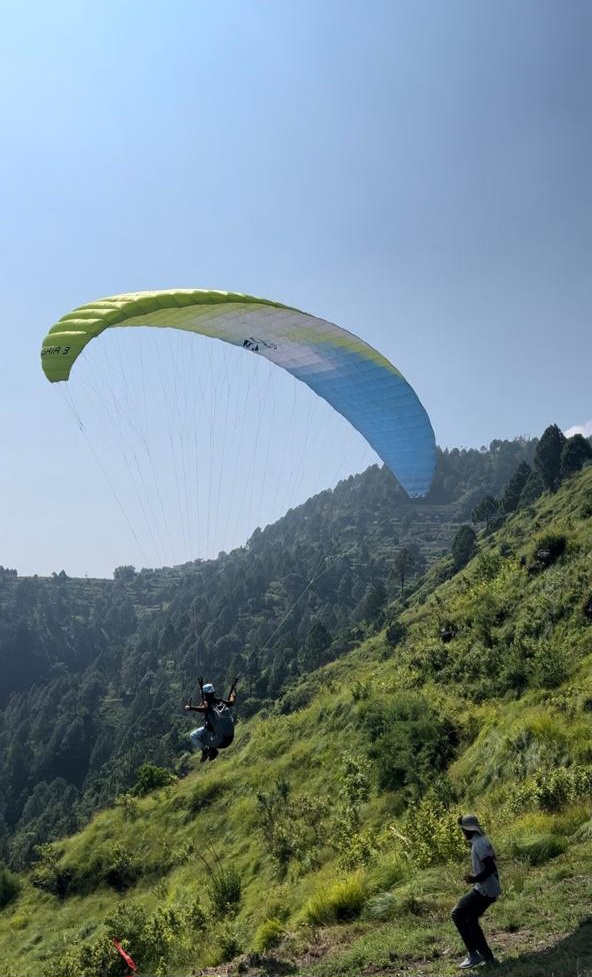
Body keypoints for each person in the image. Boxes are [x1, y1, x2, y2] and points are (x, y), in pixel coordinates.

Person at [451, 814, 501, 969]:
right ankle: (487, 958)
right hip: (490, 888)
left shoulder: (478, 844)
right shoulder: (482, 840)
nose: (463, 833)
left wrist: (474, 879)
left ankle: (474, 955)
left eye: (463, 830)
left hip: (485, 889)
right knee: (471, 920)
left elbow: (491, 867)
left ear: (468, 830)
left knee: (457, 913)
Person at [185, 679, 237, 763]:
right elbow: (232, 701)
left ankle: (206, 750)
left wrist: (191, 708)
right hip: (229, 738)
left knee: (194, 736)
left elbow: (204, 708)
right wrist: (233, 692)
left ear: (206, 695)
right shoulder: (221, 702)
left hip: (220, 741)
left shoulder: (208, 706)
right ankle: (212, 749)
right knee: (209, 729)